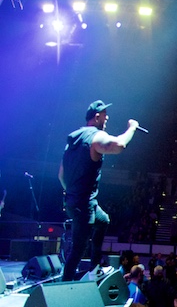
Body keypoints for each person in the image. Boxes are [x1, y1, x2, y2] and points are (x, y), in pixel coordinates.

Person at [59, 100, 139, 281]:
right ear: (96, 117)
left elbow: (61, 175)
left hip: (80, 201)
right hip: (83, 203)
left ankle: (95, 267)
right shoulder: (94, 137)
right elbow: (119, 145)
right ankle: (64, 288)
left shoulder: (72, 142)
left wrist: (72, 193)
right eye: (104, 114)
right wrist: (132, 128)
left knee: (103, 220)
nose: (107, 117)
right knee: (78, 248)